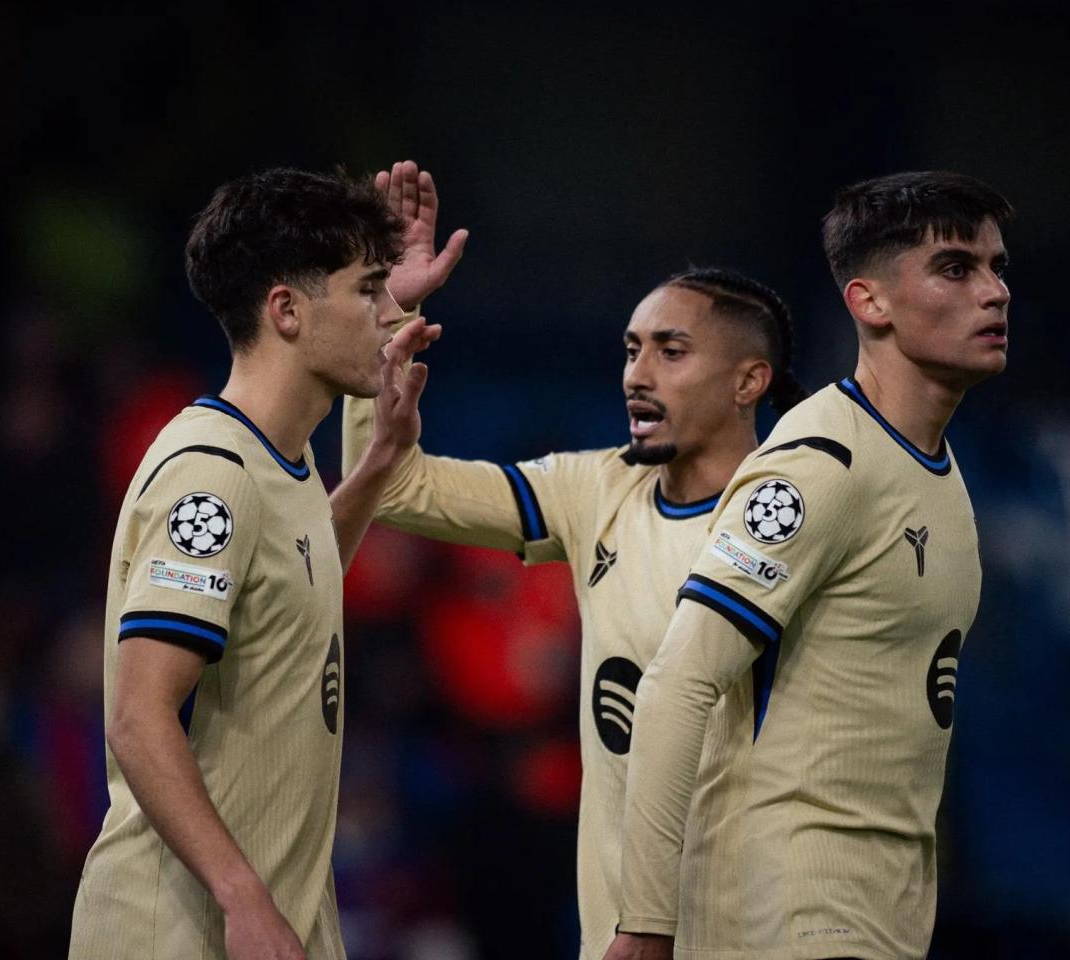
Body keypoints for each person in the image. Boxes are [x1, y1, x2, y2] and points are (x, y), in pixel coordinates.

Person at [333, 160, 808, 960]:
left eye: (672, 351)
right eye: (630, 350)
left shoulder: (806, 519)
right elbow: (397, 487)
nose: (637, 373)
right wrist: (386, 312)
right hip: (620, 937)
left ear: (748, 380)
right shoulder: (594, 489)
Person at [605, 171, 1014, 960]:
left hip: (878, 920)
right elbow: (677, 683)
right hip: (785, 920)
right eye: (957, 269)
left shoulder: (942, 478)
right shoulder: (818, 464)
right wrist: (647, 923)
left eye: (998, 268)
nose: (993, 293)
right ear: (870, 303)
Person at [68, 165, 453, 960]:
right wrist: (245, 900)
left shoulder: (283, 462)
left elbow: (298, 568)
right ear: (285, 309)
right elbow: (139, 719)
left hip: (267, 921)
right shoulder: (211, 474)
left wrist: (379, 461)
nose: (389, 315)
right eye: (367, 291)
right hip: (177, 935)